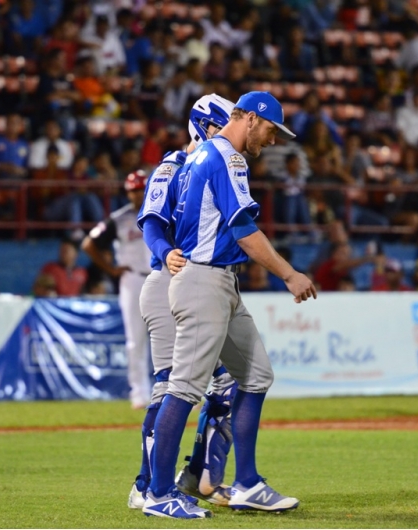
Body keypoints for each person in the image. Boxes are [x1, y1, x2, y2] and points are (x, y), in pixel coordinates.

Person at [143, 91, 315, 518]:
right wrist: (289, 273)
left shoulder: (201, 156)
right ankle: (160, 493)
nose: (273, 141)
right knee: (184, 387)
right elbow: (242, 228)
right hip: (203, 282)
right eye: (272, 130)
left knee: (256, 375)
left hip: (213, 280)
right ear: (252, 119)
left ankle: (246, 484)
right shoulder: (228, 157)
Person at [131, 94, 239, 512]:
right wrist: (164, 249)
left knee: (227, 382)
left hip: (203, 284)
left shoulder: (221, 163)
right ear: (201, 126)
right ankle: (147, 486)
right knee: (171, 385)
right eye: (218, 127)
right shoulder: (172, 165)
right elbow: (153, 219)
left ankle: (197, 475)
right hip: (169, 280)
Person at [82, 171, 153, 410]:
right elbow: (89, 244)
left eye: (141, 188)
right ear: (127, 192)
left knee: (173, 337)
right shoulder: (119, 219)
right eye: (133, 190)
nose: (138, 194)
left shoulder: (164, 213)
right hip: (132, 278)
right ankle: (140, 393)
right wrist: (110, 269)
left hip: (161, 277)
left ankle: (177, 392)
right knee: (136, 339)